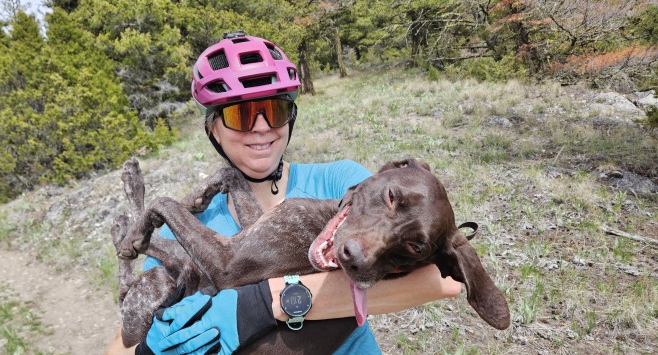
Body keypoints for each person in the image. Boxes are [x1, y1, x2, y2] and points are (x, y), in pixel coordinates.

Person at [106, 32, 461, 355]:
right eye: (242, 114)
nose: (262, 128)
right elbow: (119, 346)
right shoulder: (185, 227)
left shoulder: (341, 182)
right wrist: (145, 351)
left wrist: (264, 304)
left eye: (275, 110)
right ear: (213, 128)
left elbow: (437, 282)